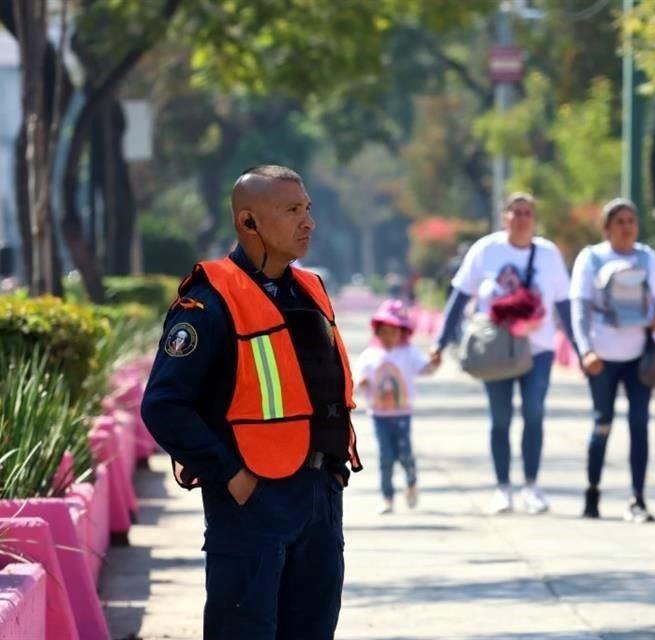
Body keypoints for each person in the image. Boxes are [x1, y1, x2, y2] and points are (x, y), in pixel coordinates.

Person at [141, 165, 361, 639]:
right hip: (253, 505)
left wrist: (332, 479)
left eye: (307, 209)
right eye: (291, 210)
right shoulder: (210, 300)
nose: (308, 222)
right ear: (249, 223)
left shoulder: (311, 291)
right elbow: (163, 405)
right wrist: (232, 477)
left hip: (320, 498)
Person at [429, 193, 573, 515]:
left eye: (527, 213)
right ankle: (503, 488)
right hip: (495, 347)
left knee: (534, 412)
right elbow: (459, 296)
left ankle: (532, 486)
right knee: (501, 419)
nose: (521, 218)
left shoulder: (548, 255)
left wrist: (581, 347)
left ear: (534, 219)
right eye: (515, 212)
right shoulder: (486, 250)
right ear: (504, 216)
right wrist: (440, 341)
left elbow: (564, 304)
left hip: (539, 348)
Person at [570, 198, 655, 522]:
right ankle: (593, 489)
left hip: (638, 354)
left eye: (631, 221)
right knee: (602, 422)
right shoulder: (591, 259)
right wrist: (586, 350)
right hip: (603, 355)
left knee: (639, 424)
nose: (627, 228)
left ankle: (638, 497)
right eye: (620, 222)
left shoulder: (648, 258)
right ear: (606, 227)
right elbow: (580, 311)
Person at [354, 299, 435, 514]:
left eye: (393, 331)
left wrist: (434, 362)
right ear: (377, 333)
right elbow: (359, 379)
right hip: (379, 415)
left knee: (405, 454)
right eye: (384, 331)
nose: (388, 336)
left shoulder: (408, 353)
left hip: (402, 413)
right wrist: (361, 383)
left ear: (402, 333)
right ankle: (386, 496)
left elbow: (425, 369)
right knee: (385, 456)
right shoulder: (369, 356)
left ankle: (411, 483)